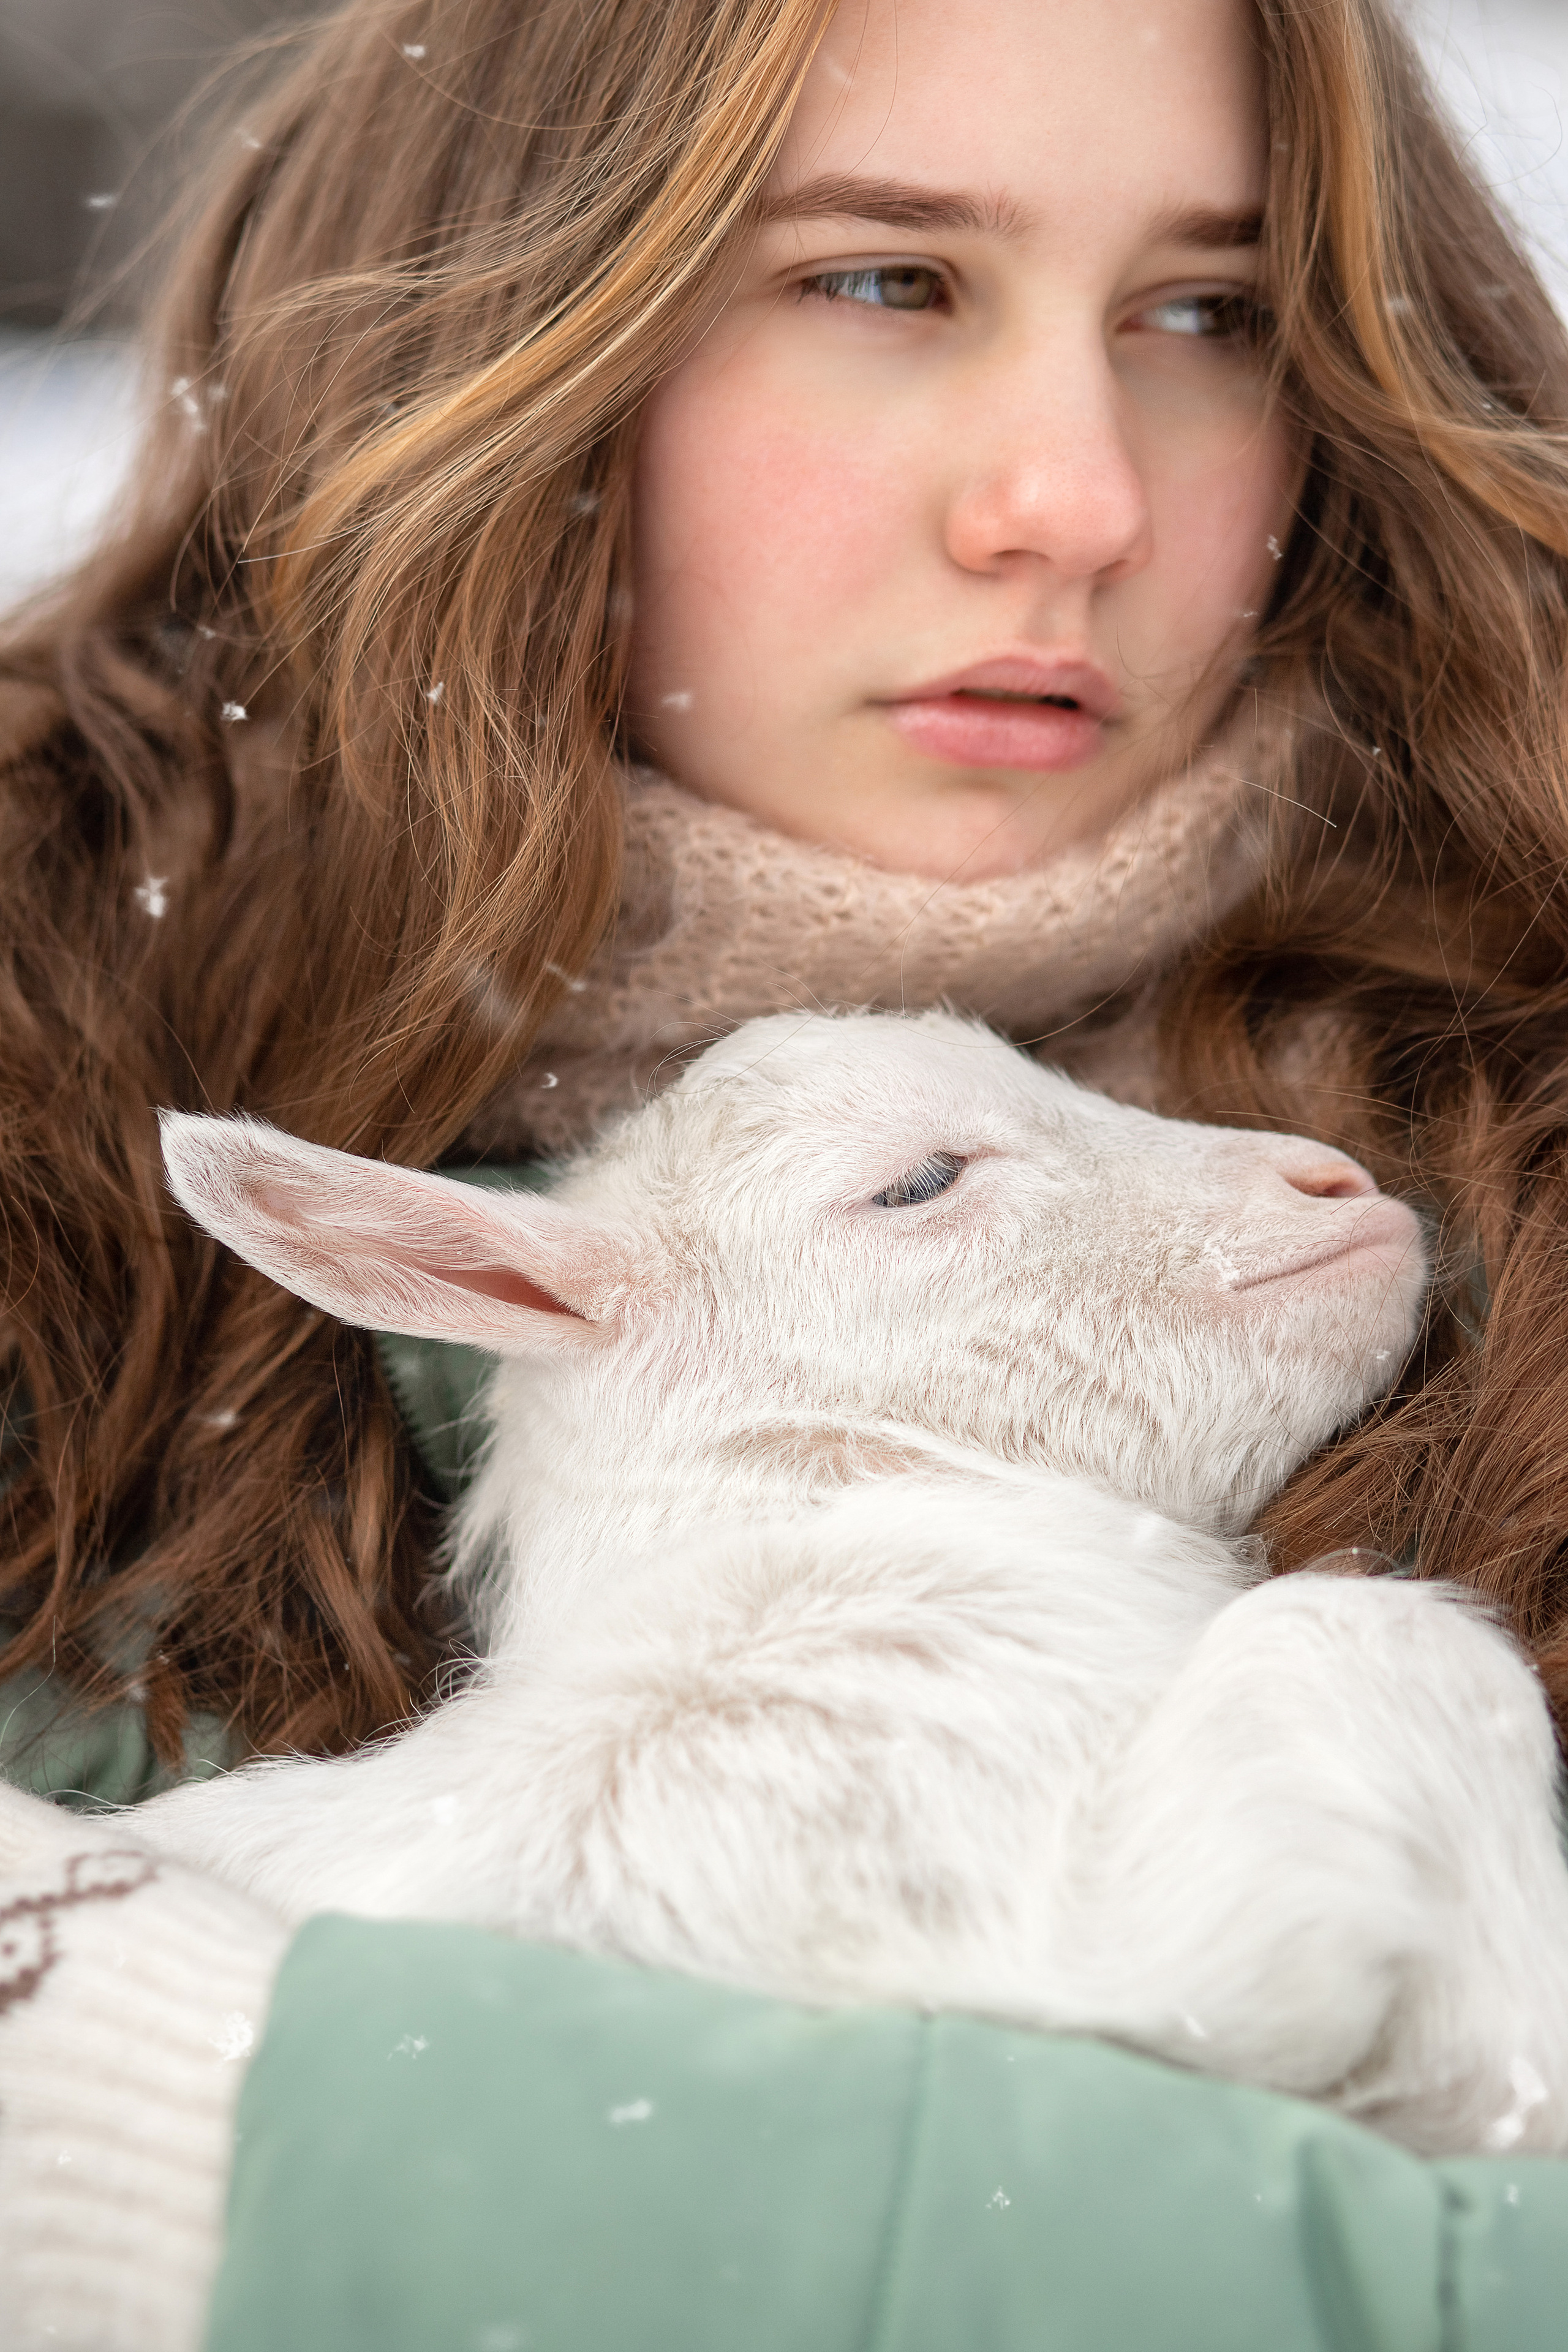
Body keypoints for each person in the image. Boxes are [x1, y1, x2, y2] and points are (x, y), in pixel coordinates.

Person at [4, 0, 1568, 2344]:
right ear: (507, 334)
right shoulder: (51, 1224)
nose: (1075, 497)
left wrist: (235, 2128)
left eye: (1213, 314)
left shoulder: (1517, 1172)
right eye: (882, 278)